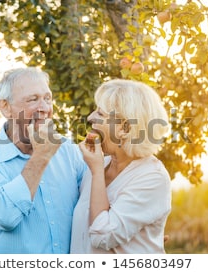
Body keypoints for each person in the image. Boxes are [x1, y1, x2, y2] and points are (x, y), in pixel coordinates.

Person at [0, 67, 87, 254]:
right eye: (33, 99)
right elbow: (4, 216)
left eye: (47, 98)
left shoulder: (69, 152)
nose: (45, 108)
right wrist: (41, 157)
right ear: (5, 107)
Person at [70, 79, 172, 254]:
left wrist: (96, 171)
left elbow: (102, 237)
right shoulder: (101, 164)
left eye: (100, 114)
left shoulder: (153, 177)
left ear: (124, 128)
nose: (90, 117)